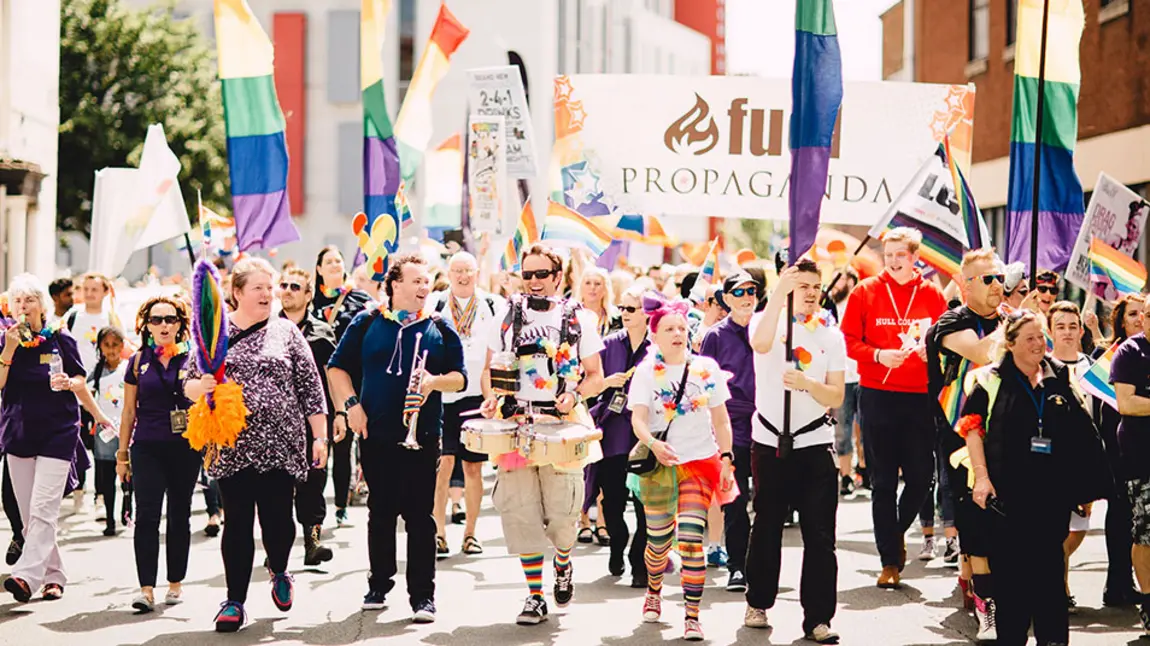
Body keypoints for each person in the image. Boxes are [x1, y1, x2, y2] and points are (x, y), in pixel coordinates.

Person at [185, 258, 328, 632]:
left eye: (271, 286)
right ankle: (234, 601)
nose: (269, 294)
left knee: (278, 519)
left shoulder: (286, 332)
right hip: (232, 444)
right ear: (236, 293)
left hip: (282, 443)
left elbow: (311, 388)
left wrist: (320, 436)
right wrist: (203, 386)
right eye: (259, 288)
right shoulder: (212, 333)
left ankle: (280, 569)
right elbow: (186, 383)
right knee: (237, 521)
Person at [327, 253, 465, 623]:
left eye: (427, 281)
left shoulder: (440, 326)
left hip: (423, 434)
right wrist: (351, 405)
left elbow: (461, 378)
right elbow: (336, 368)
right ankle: (379, 583)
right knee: (381, 511)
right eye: (417, 280)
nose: (424, 287)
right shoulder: (367, 321)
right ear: (395, 285)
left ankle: (423, 596)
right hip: (376, 433)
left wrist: (434, 382)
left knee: (421, 516)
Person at [958, 309, 1109, 646]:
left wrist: (1084, 488)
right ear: (1011, 344)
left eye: (1042, 336)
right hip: (1007, 499)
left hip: (1050, 497)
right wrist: (981, 478)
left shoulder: (1059, 376)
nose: (1040, 344)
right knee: (1012, 582)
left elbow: (1081, 433)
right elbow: (971, 427)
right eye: (1031, 338)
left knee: (1050, 580)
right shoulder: (991, 379)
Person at [478, 242, 605, 625]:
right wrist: (490, 398)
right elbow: (489, 371)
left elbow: (595, 376)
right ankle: (535, 595)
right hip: (516, 425)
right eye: (526, 274)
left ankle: (563, 562)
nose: (532, 282)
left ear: (558, 277)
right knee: (522, 514)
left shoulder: (579, 318)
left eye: (540, 274)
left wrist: (573, 393)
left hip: (562, 426)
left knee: (564, 515)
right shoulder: (504, 314)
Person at [841, 227, 947, 588]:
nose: (893, 261)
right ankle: (889, 561)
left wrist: (930, 350)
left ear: (915, 257)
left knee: (921, 478)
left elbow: (946, 340)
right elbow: (849, 341)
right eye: (888, 255)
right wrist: (878, 354)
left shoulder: (931, 294)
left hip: (920, 395)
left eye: (900, 255)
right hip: (877, 395)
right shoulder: (866, 290)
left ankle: (896, 531)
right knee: (883, 482)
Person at [744, 260, 843, 644]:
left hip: (815, 443)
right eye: (803, 285)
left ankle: (818, 618)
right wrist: (778, 297)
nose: (812, 292)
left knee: (820, 535)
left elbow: (836, 394)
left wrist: (807, 384)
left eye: (816, 285)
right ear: (787, 288)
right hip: (771, 443)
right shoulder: (767, 320)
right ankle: (758, 601)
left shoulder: (831, 334)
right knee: (767, 525)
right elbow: (760, 343)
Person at [629, 293, 735, 642]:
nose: (677, 333)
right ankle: (654, 591)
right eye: (668, 328)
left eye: (681, 328)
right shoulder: (646, 372)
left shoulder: (707, 369)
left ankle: (692, 615)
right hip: (660, 464)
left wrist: (727, 458)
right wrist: (654, 445)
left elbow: (721, 420)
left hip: (699, 462)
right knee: (658, 542)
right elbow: (638, 420)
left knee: (691, 540)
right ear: (654, 336)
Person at [925, 249, 1005, 637]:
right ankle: (982, 600)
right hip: (960, 435)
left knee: (1001, 518)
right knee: (975, 516)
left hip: (1006, 432)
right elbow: (980, 351)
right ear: (965, 285)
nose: (998, 285)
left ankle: (972, 582)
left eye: (1000, 277)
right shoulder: (951, 321)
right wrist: (1023, 327)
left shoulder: (1008, 320)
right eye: (987, 279)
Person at [0, 274, 88, 603]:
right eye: (17, 302)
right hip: (18, 431)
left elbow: (81, 377)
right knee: (27, 517)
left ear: (41, 305)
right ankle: (54, 575)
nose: (23, 307)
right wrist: (8, 347)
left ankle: (25, 577)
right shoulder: (6, 340)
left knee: (43, 509)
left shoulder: (60, 338)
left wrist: (71, 382)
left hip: (58, 431)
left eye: (29, 301)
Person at [116, 296, 201, 612]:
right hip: (147, 447)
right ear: (146, 325)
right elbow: (128, 412)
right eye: (156, 320)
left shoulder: (193, 360)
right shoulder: (138, 361)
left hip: (185, 447)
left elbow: (208, 404)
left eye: (170, 319)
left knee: (180, 514)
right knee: (147, 516)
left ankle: (175, 584)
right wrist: (122, 456)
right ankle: (146, 589)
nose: (163, 325)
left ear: (180, 323)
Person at [428, 251, 500, 558]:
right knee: (442, 465)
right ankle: (439, 532)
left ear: (476, 273)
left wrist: (493, 394)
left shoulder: (493, 304)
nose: (462, 276)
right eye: (456, 270)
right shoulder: (435, 303)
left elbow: (497, 352)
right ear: (449, 272)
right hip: (442, 393)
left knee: (473, 467)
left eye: (468, 270)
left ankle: (470, 533)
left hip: (475, 395)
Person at [700, 271, 761, 593]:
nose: (747, 296)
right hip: (731, 427)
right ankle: (738, 567)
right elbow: (703, 383)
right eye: (739, 292)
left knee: (766, 504)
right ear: (725, 298)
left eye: (752, 290)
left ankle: (760, 567)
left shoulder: (768, 330)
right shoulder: (715, 336)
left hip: (768, 427)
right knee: (735, 502)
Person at [585, 286, 651, 585]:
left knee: (644, 502)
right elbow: (590, 381)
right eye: (621, 309)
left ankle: (639, 562)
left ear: (646, 313)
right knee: (611, 500)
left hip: (644, 433)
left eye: (631, 309)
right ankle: (617, 542)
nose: (623, 314)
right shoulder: (609, 343)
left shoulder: (656, 347)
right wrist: (607, 383)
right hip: (612, 432)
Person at [278, 268, 337, 567]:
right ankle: (279, 549)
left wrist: (337, 415)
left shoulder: (322, 334)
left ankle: (313, 543)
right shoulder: (267, 329)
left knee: (313, 481)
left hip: (312, 420)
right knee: (277, 486)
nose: (287, 290)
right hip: (275, 423)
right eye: (284, 285)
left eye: (295, 287)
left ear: (308, 295)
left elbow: (334, 378)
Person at [312, 245, 373, 527]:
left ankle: (340, 503)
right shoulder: (309, 303)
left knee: (345, 442)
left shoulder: (360, 300)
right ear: (319, 269)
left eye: (339, 260)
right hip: (318, 380)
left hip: (352, 379)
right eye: (329, 261)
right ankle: (313, 506)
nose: (335, 264)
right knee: (322, 441)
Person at [1047, 301, 1097, 613]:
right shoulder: (1042, 366)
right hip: (1049, 461)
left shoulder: (1092, 367)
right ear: (1050, 332)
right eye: (1060, 327)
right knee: (1054, 529)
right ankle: (1058, 588)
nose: (1066, 332)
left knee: (1078, 529)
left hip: (1085, 460)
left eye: (1071, 326)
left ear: (1080, 330)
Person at [1096, 293, 1145, 607]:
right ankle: (1118, 580)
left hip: (1142, 445)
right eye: (1133, 315)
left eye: (1144, 313)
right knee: (1121, 513)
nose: (1140, 319)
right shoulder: (1112, 355)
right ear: (1121, 321)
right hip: (1117, 445)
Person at [1109, 312, 1150, 635]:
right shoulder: (1129, 352)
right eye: (1147, 314)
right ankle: (1148, 603)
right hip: (1141, 457)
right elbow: (1126, 402)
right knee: (1146, 535)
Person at [74, 326, 131, 537]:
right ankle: (110, 517)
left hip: (128, 430)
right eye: (107, 345)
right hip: (104, 431)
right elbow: (84, 394)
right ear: (100, 347)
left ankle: (128, 507)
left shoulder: (128, 369)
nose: (111, 350)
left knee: (128, 474)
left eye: (115, 345)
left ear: (122, 346)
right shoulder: (96, 372)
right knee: (106, 475)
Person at [828, 268, 861, 495]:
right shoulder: (830, 305)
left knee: (866, 427)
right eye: (837, 279)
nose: (840, 284)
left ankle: (865, 470)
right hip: (843, 376)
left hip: (863, 374)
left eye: (845, 280)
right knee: (843, 428)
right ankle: (846, 474)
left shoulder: (859, 303)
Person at [578, 266, 621, 338]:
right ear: (581, 287)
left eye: (597, 284)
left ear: (605, 289)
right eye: (588, 283)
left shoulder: (616, 318)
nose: (592, 287)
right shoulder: (572, 316)